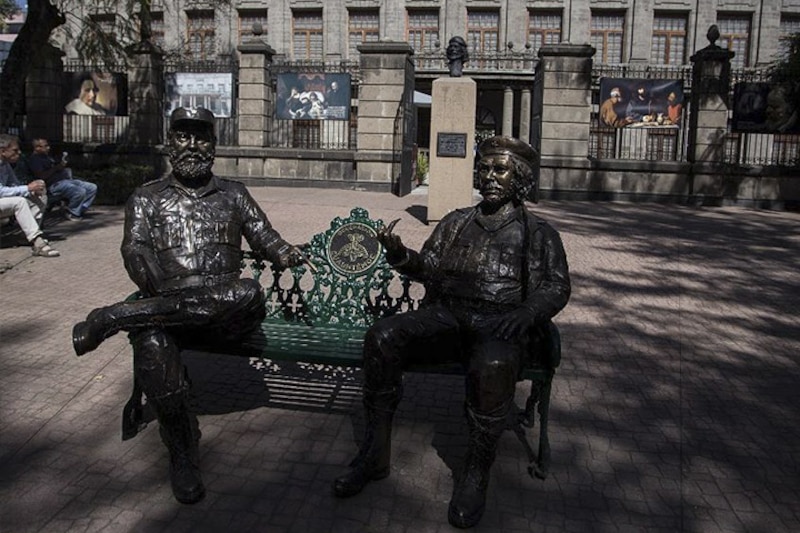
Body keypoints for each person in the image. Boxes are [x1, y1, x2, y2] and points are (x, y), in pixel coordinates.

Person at [332, 136, 571, 529]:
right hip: (448, 316)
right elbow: (428, 267)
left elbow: (557, 286)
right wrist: (400, 256)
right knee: (382, 337)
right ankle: (374, 453)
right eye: (484, 169)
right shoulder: (456, 220)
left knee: (493, 364)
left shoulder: (538, 233)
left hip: (500, 324)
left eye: (500, 169)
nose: (489, 177)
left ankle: (476, 472)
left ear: (519, 178)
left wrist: (528, 312)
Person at [71, 107, 307, 504]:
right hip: (169, 309)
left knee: (248, 291)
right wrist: (155, 284)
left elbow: (265, 235)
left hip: (227, 315)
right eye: (183, 136)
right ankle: (182, 452)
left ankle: (114, 317)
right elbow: (136, 248)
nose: (193, 146)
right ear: (169, 143)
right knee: (151, 344)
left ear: (214, 145)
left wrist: (285, 252)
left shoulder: (234, 193)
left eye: (201, 137)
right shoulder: (146, 198)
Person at [0, 134, 59, 257]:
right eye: (15, 150)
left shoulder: (5, 165)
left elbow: (14, 184)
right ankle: (38, 243)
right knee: (19, 202)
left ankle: (26, 236)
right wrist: (27, 188)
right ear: (3, 151)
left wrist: (32, 190)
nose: (19, 153)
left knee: (39, 195)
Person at [27, 138, 98, 221]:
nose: (48, 148)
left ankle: (79, 209)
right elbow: (42, 176)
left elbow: (56, 169)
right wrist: (56, 168)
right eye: (45, 146)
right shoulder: (35, 160)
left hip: (64, 181)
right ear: (37, 148)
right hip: (52, 185)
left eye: (48, 145)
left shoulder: (47, 157)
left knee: (92, 187)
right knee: (79, 191)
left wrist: (61, 166)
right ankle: (73, 213)